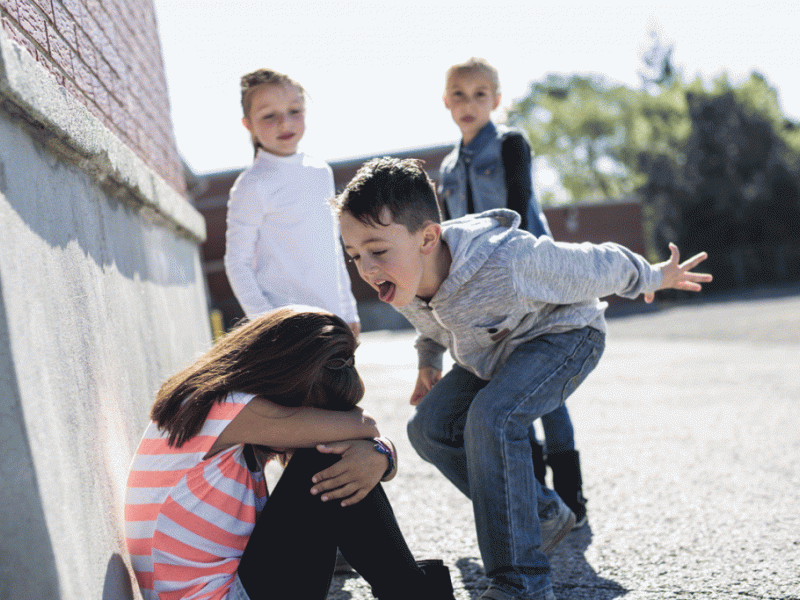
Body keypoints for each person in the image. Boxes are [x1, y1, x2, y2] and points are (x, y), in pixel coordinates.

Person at [332, 158, 712, 600]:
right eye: (354, 255)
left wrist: (652, 275)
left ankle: (523, 583)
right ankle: (541, 512)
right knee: (428, 429)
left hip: (566, 336)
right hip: (495, 354)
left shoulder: (507, 261)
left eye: (377, 251)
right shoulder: (401, 276)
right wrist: (428, 361)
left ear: (427, 238)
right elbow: (431, 323)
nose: (367, 268)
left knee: (492, 418)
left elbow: (594, 263)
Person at [124, 306, 455, 600]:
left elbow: (363, 434)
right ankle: (413, 591)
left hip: (230, 587)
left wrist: (381, 455)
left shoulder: (215, 406)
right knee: (326, 457)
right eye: (314, 414)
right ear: (287, 377)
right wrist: (377, 450)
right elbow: (363, 424)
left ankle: (411, 591)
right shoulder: (226, 408)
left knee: (333, 456)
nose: (314, 426)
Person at [438, 57, 585, 525]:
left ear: (496, 100)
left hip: (530, 281)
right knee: (507, 388)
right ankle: (539, 500)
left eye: (480, 94)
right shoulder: (445, 167)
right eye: (459, 94)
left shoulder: (510, 144)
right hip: (480, 294)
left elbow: (520, 210)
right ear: (446, 101)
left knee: (545, 390)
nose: (469, 103)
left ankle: (572, 496)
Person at [224, 69, 360, 335]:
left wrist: (348, 310)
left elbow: (332, 248)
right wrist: (267, 323)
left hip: (333, 321)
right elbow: (236, 262)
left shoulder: (321, 172)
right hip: (288, 329)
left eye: (294, 111)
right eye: (269, 115)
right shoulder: (252, 185)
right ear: (248, 124)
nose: (285, 123)